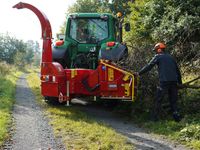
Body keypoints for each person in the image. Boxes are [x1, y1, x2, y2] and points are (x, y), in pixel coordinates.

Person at [138, 43, 182, 122]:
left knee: (158, 99)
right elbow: (177, 70)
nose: (155, 52)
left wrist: (139, 73)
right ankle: (177, 119)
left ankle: (153, 119)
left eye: (155, 50)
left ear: (159, 50)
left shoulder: (158, 56)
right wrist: (180, 82)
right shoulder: (171, 57)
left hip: (164, 82)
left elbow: (149, 66)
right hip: (174, 82)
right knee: (173, 101)